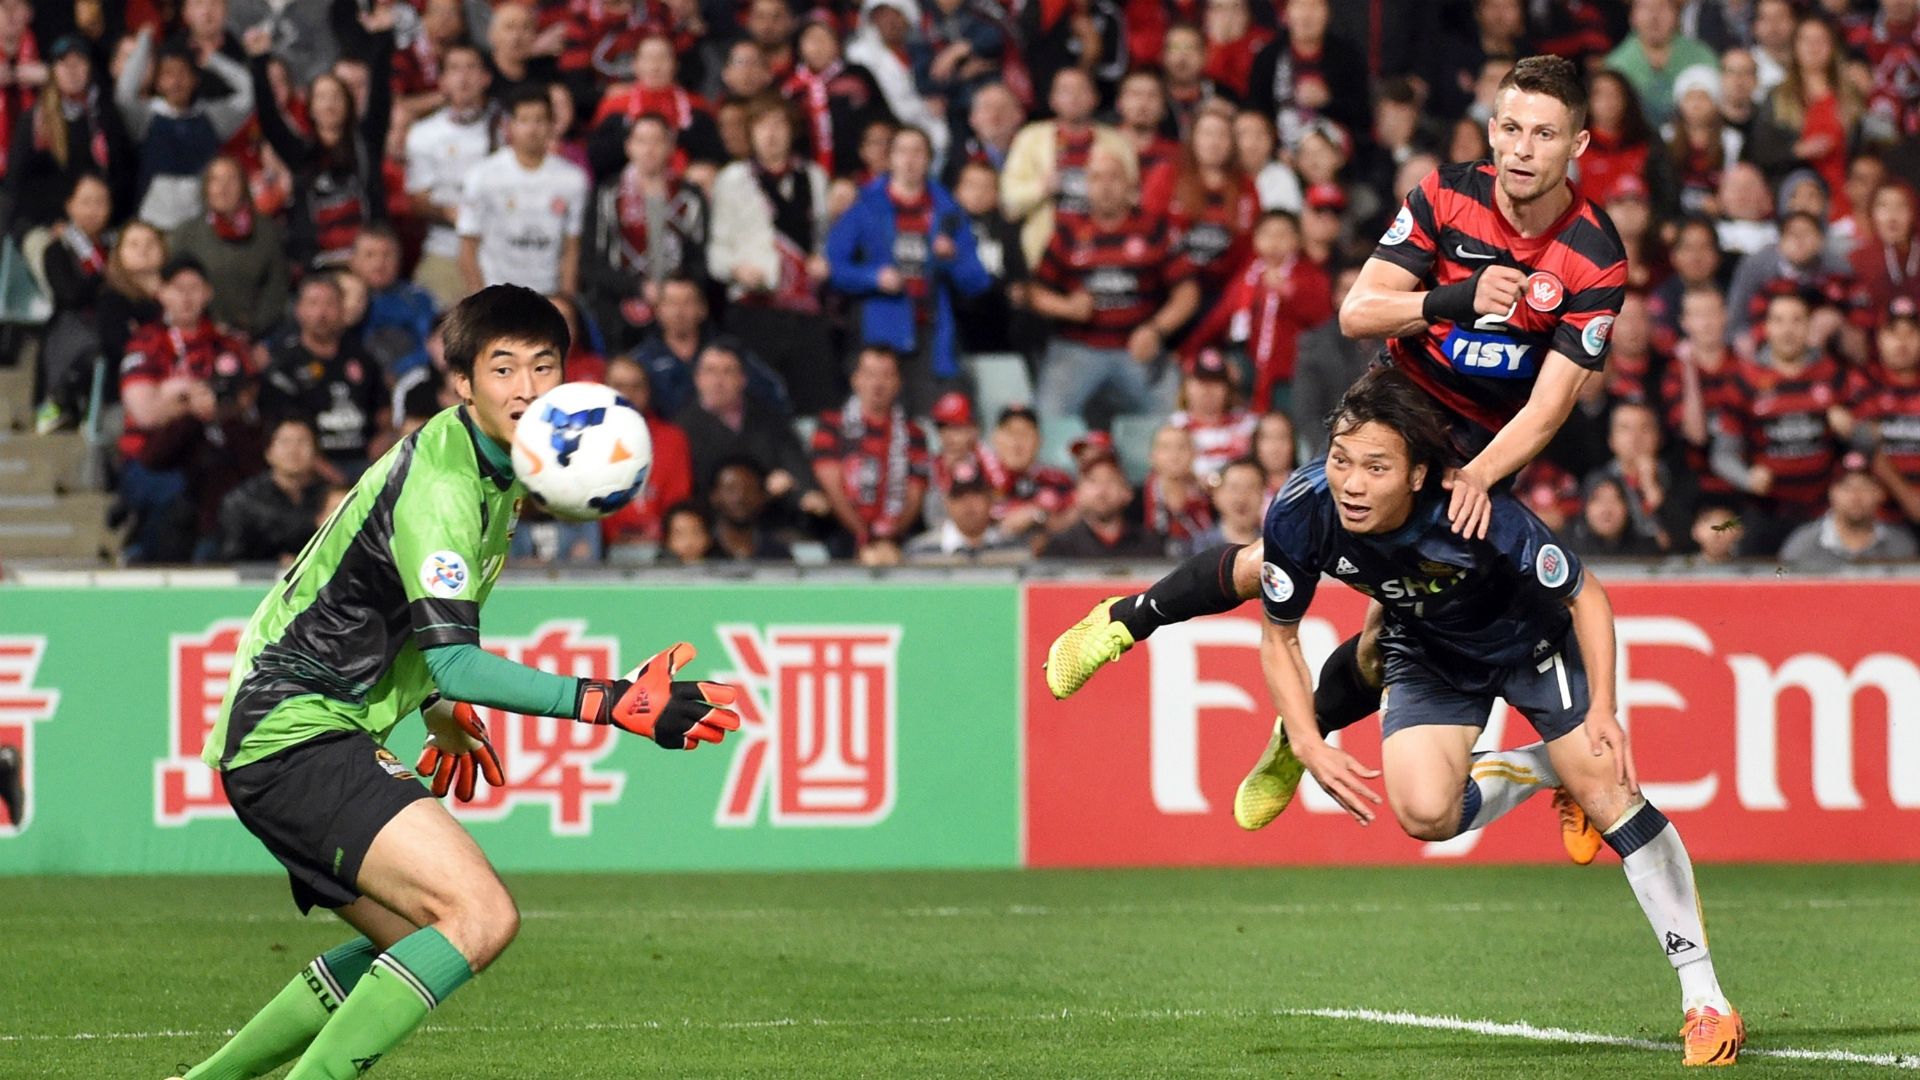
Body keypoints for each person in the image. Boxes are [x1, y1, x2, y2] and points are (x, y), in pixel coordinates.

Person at [166, 285, 742, 1080]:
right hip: (295, 731)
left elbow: (394, 616)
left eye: (544, 366)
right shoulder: (442, 486)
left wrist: (436, 710)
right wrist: (609, 702)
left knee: (414, 940)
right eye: (503, 369)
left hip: (296, 729)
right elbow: (458, 658)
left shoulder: (494, 468)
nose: (527, 388)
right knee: (479, 915)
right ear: (462, 383)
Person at [1045, 55, 1628, 839]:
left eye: (1544, 134)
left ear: (1578, 144)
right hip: (1394, 426)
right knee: (1277, 556)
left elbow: (1553, 403)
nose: (1523, 149)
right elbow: (1358, 312)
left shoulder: (1594, 253)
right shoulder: (1444, 196)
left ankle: (1307, 734)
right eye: (1513, 130)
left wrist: (1477, 478)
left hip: (1480, 460)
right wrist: (1455, 298)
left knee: (1392, 637)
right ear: (1492, 131)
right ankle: (1125, 621)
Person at [1248, 368, 1741, 1067]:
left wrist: (1603, 707)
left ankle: (1706, 1001)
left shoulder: (1475, 512)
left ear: (1417, 474)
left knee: (1611, 794)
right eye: (1340, 460)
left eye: (1375, 467)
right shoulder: (1303, 508)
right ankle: (1552, 770)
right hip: (1430, 652)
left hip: (1534, 646)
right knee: (1425, 814)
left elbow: (1585, 596)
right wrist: (1306, 741)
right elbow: (1279, 635)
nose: (1351, 484)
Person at [1027, 146, 1199, 432]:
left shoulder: (1154, 229)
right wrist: (1066, 307)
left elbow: (1187, 294)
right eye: (1097, 178)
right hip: (1077, 348)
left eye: (1113, 178)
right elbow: (1035, 293)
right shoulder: (1068, 231)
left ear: (1131, 185)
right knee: (1047, 417)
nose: (1105, 187)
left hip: (1137, 345)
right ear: (1086, 185)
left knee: (1176, 415)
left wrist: (1156, 330)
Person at [826, 124, 991, 413]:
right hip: (878, 334)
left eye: (918, 152)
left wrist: (951, 258)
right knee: (879, 417)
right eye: (902, 151)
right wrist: (873, 277)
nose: (909, 160)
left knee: (928, 416)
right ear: (890, 158)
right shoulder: (866, 206)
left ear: (929, 159)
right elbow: (834, 268)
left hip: (930, 332)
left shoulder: (949, 211)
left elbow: (977, 281)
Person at [117, 256, 254, 564]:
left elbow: (245, 400)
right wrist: (189, 404)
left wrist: (186, 398)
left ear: (208, 293)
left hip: (217, 455)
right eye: (178, 289)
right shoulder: (146, 343)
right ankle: (145, 556)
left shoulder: (227, 343)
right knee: (179, 496)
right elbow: (145, 413)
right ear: (162, 293)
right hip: (153, 459)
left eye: (194, 288)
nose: (186, 297)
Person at [708, 97, 836, 414]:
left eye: (779, 124)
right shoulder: (733, 179)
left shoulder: (814, 177)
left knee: (813, 400)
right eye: (762, 125)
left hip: (804, 309)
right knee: (758, 402)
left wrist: (824, 260)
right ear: (750, 132)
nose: (771, 134)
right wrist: (737, 269)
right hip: (755, 305)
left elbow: (824, 239)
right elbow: (716, 251)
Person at [244, 14, 393, 268]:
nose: (329, 104)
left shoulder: (367, 143)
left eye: (336, 96)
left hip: (367, 263)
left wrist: (383, 37)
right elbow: (270, 119)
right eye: (321, 97)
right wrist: (259, 60)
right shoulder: (300, 152)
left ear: (348, 104)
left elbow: (380, 97)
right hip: (318, 265)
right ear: (310, 108)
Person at [1711, 289, 1849, 555]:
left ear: (1809, 326)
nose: (1788, 330)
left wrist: (1851, 428)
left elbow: (1866, 445)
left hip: (1822, 514)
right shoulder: (1745, 380)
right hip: (1765, 512)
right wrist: (1747, 478)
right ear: (1767, 328)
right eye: (1779, 320)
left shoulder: (1832, 374)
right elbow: (1721, 455)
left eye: (1796, 320)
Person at [1178, 209, 1333, 412]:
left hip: (1293, 372)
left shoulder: (1310, 276)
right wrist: (1189, 351)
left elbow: (1324, 319)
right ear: (1255, 239)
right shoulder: (1248, 277)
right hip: (1252, 368)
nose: (1274, 242)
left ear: (1297, 240)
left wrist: (1289, 294)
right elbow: (1218, 319)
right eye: (1267, 234)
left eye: (1282, 235)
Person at [582, 112, 709, 354]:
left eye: (657, 141)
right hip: (618, 311)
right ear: (629, 146)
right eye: (641, 141)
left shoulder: (690, 197)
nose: (649, 149)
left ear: (670, 146)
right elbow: (591, 263)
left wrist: (673, 293)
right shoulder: (607, 195)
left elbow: (699, 260)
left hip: (677, 311)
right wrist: (638, 288)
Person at [458, 85, 589, 297]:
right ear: (509, 126)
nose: (532, 129)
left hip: (548, 294)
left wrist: (566, 300)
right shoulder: (482, 176)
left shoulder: (573, 179)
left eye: (539, 120)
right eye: (524, 120)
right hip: (496, 293)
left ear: (551, 125)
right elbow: (468, 247)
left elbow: (571, 248)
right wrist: (481, 301)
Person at [260, 273, 391, 481]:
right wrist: (333, 477)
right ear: (299, 310)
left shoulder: (363, 358)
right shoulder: (283, 366)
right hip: (310, 470)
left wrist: (384, 437)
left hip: (365, 464)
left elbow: (383, 410)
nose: (321, 313)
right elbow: (280, 431)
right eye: (313, 303)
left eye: (330, 304)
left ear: (342, 309)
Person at [999, 66, 1134, 268]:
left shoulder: (1118, 142)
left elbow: (1133, 196)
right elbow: (1009, 201)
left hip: (1106, 251)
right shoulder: (1030, 138)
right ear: (1052, 99)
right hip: (1046, 253)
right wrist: (1041, 188)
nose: (1074, 97)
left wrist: (1108, 191)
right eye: (1065, 90)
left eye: (1081, 90)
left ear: (1095, 98)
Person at [809, 345, 930, 561]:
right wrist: (864, 537)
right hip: (842, 536)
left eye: (886, 375)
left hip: (898, 539)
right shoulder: (831, 425)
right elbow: (832, 488)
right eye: (870, 374)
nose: (877, 384)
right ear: (855, 379)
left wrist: (888, 539)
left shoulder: (914, 434)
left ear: (898, 382)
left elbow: (914, 495)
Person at [402, 40, 494, 306]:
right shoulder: (423, 134)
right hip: (445, 248)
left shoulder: (506, 128)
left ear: (485, 78)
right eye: (454, 69)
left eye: (471, 68)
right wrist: (449, 212)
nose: (463, 77)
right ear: (442, 81)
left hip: (498, 249)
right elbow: (417, 200)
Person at [168, 155, 291, 340]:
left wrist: (254, 330)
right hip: (198, 334)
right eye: (215, 180)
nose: (223, 188)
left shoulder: (266, 232)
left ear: (243, 186)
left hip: (256, 336)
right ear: (206, 187)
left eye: (231, 179)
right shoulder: (186, 234)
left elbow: (276, 288)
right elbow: (174, 286)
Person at [217, 416, 329, 563]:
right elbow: (233, 555)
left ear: (316, 452)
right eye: (285, 442)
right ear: (268, 452)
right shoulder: (242, 500)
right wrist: (273, 562)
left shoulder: (330, 496)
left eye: (302, 442)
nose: (293, 450)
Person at [1780, 452, 1920, 568]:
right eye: (1847, 488)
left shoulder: (1900, 545)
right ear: (1832, 492)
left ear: (1879, 493)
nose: (1855, 497)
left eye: (1864, 487)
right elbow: (1779, 578)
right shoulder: (1803, 544)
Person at [1040, 452, 1165, 559]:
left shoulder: (1150, 544)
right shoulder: (1059, 548)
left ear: (1127, 493)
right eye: (1092, 480)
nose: (1102, 490)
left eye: (1110, 480)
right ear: (1077, 493)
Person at [904, 457, 1028, 562]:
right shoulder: (920, 551)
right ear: (947, 502)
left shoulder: (1015, 549)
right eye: (959, 495)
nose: (968, 504)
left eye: (976, 493)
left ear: (990, 499)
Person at [1169, 349, 1256, 484]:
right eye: (1201, 381)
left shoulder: (1248, 425)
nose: (1208, 390)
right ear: (1186, 386)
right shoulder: (1175, 426)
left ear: (1228, 389)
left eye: (1216, 382)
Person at [708, 455, 795, 562]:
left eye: (749, 489)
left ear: (763, 496)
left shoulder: (779, 553)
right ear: (714, 496)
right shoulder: (700, 549)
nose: (740, 498)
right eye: (730, 489)